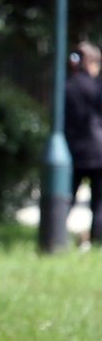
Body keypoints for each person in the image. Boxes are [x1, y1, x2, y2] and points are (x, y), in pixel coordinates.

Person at [65, 42, 102, 249]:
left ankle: (56, 237)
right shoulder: (98, 88)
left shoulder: (67, 86)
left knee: (66, 198)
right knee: (99, 202)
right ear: (92, 63)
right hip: (99, 151)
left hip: (74, 151)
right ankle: (98, 242)